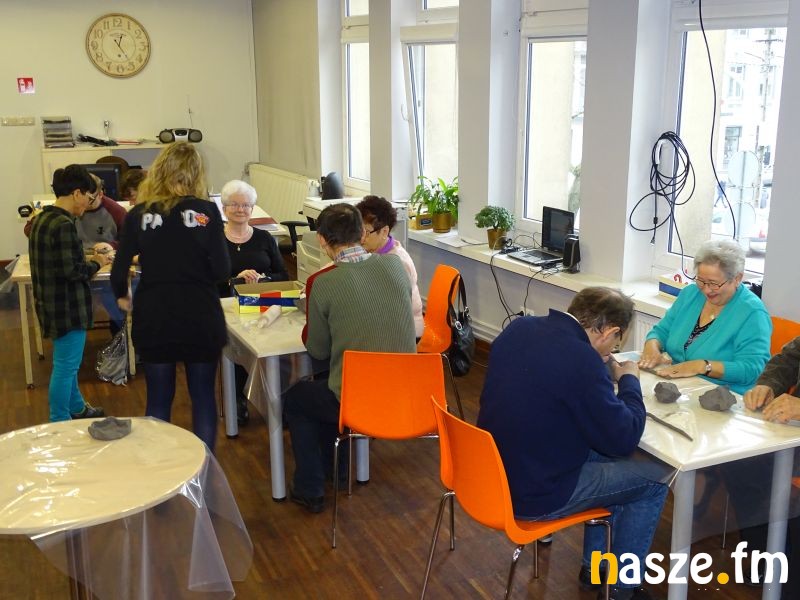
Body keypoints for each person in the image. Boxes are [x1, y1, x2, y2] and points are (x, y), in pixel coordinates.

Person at [477, 287, 668, 600]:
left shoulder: (519, 327)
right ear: (611, 332)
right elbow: (625, 438)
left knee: (607, 459)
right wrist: (629, 380)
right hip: (533, 494)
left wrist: (599, 373)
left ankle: (594, 569)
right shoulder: (582, 360)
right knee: (654, 481)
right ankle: (621, 590)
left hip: (491, 474)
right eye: (615, 344)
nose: (612, 351)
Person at [283, 203, 416, 514]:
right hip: (407, 391)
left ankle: (310, 488)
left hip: (359, 398)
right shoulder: (395, 265)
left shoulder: (325, 282)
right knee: (328, 384)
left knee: (299, 398)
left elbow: (317, 349)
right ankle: (339, 470)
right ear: (361, 233)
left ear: (321, 240)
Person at [110, 142, 230, 452]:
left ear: (159, 172)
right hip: (200, 314)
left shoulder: (138, 214)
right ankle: (205, 468)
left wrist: (122, 296)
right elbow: (222, 270)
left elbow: (118, 271)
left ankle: (158, 470)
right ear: (196, 174)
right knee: (203, 397)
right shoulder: (206, 212)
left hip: (155, 315)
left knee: (159, 399)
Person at [29, 164, 109, 422]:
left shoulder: (42, 219)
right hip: (68, 308)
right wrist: (98, 262)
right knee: (65, 368)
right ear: (77, 193)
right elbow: (73, 271)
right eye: (89, 197)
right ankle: (59, 421)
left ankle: (77, 407)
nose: (88, 204)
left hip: (50, 304)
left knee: (68, 364)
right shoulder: (64, 225)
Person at [639, 239, 771, 394]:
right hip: (680, 387)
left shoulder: (753, 313)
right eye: (701, 281)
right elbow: (661, 331)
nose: (706, 290)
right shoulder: (691, 294)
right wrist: (652, 346)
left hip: (724, 396)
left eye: (714, 283)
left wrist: (703, 366)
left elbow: (752, 369)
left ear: (737, 279)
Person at [220, 179, 288, 425]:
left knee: (280, 346)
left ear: (252, 208)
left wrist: (263, 279)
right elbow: (206, 279)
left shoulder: (264, 238)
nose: (240, 209)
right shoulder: (215, 240)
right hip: (227, 306)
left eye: (246, 205)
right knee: (238, 345)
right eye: (234, 204)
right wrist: (234, 279)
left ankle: (279, 400)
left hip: (263, 303)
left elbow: (283, 276)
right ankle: (237, 398)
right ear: (224, 208)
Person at [743, 337, 800, 596]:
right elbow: (789, 358)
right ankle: (768, 553)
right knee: (743, 462)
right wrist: (768, 385)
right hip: (792, 431)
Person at [357, 195, 424, 338]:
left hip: (407, 331)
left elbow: (394, 310)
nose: (361, 238)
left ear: (384, 232)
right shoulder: (376, 251)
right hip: (388, 322)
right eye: (359, 231)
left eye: (366, 232)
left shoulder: (398, 262)